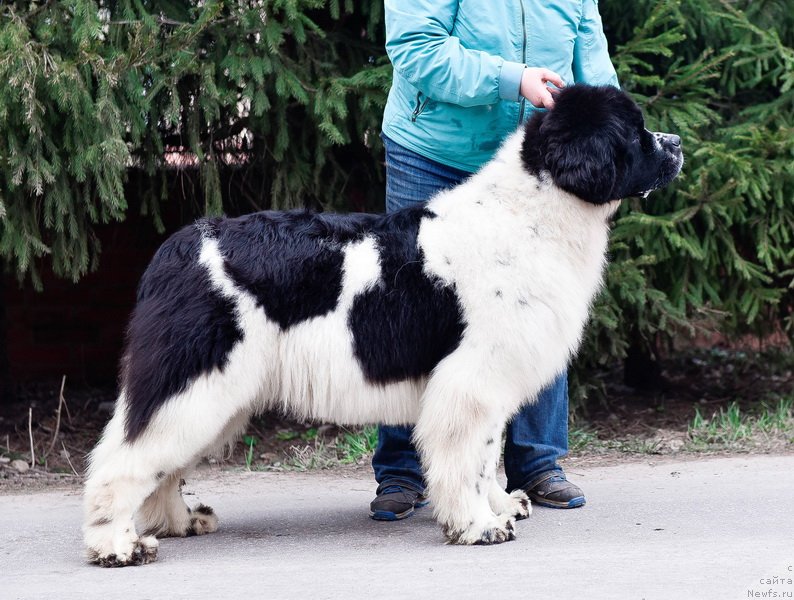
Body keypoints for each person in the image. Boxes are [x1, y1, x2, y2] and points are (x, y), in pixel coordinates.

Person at [369, 0, 619, 521]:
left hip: (535, 160)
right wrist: (513, 79)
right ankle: (403, 471)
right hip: (433, 151)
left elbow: (590, 56)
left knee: (541, 303)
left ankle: (537, 463)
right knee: (411, 314)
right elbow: (416, 48)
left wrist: (612, 132)